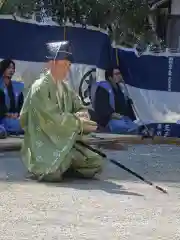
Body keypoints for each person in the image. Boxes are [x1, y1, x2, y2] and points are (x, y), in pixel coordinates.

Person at [20, 41, 103, 182]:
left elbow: (79, 106)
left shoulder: (64, 87)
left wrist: (83, 114)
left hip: (63, 140)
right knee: (51, 172)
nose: (67, 69)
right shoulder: (40, 88)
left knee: (95, 162)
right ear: (51, 63)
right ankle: (56, 165)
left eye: (69, 65)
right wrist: (78, 123)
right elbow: (51, 119)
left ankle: (65, 163)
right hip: (43, 141)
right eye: (64, 64)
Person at [92, 68, 138, 133]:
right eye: (116, 74)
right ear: (110, 77)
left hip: (122, 118)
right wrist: (112, 114)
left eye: (120, 74)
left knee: (135, 127)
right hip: (109, 120)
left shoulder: (120, 88)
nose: (119, 76)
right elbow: (101, 108)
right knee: (125, 127)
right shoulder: (103, 89)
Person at [0, 59, 24, 134]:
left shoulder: (17, 86)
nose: (11, 70)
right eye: (8, 68)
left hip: (14, 118)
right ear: (3, 68)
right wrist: (7, 114)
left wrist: (17, 113)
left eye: (13, 68)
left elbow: (21, 104)